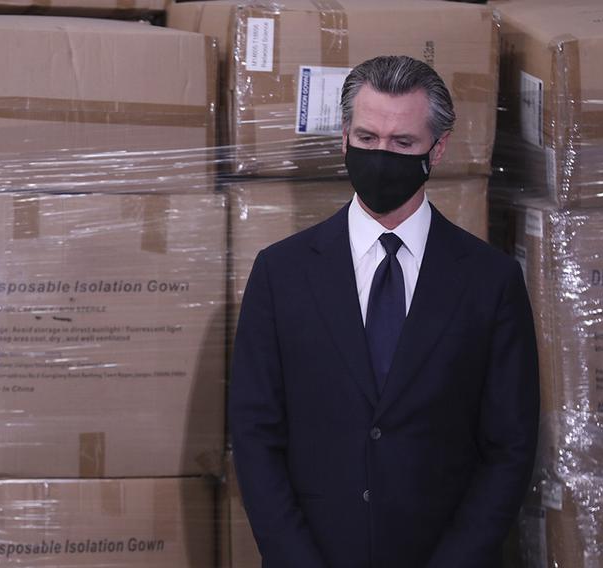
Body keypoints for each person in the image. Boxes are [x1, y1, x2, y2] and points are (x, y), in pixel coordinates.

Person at [229, 55, 539, 568]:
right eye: (368, 138)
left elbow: (510, 447)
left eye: (402, 143)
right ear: (343, 138)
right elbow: (255, 433)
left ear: (436, 149)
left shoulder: (491, 281)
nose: (381, 155)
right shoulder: (280, 274)